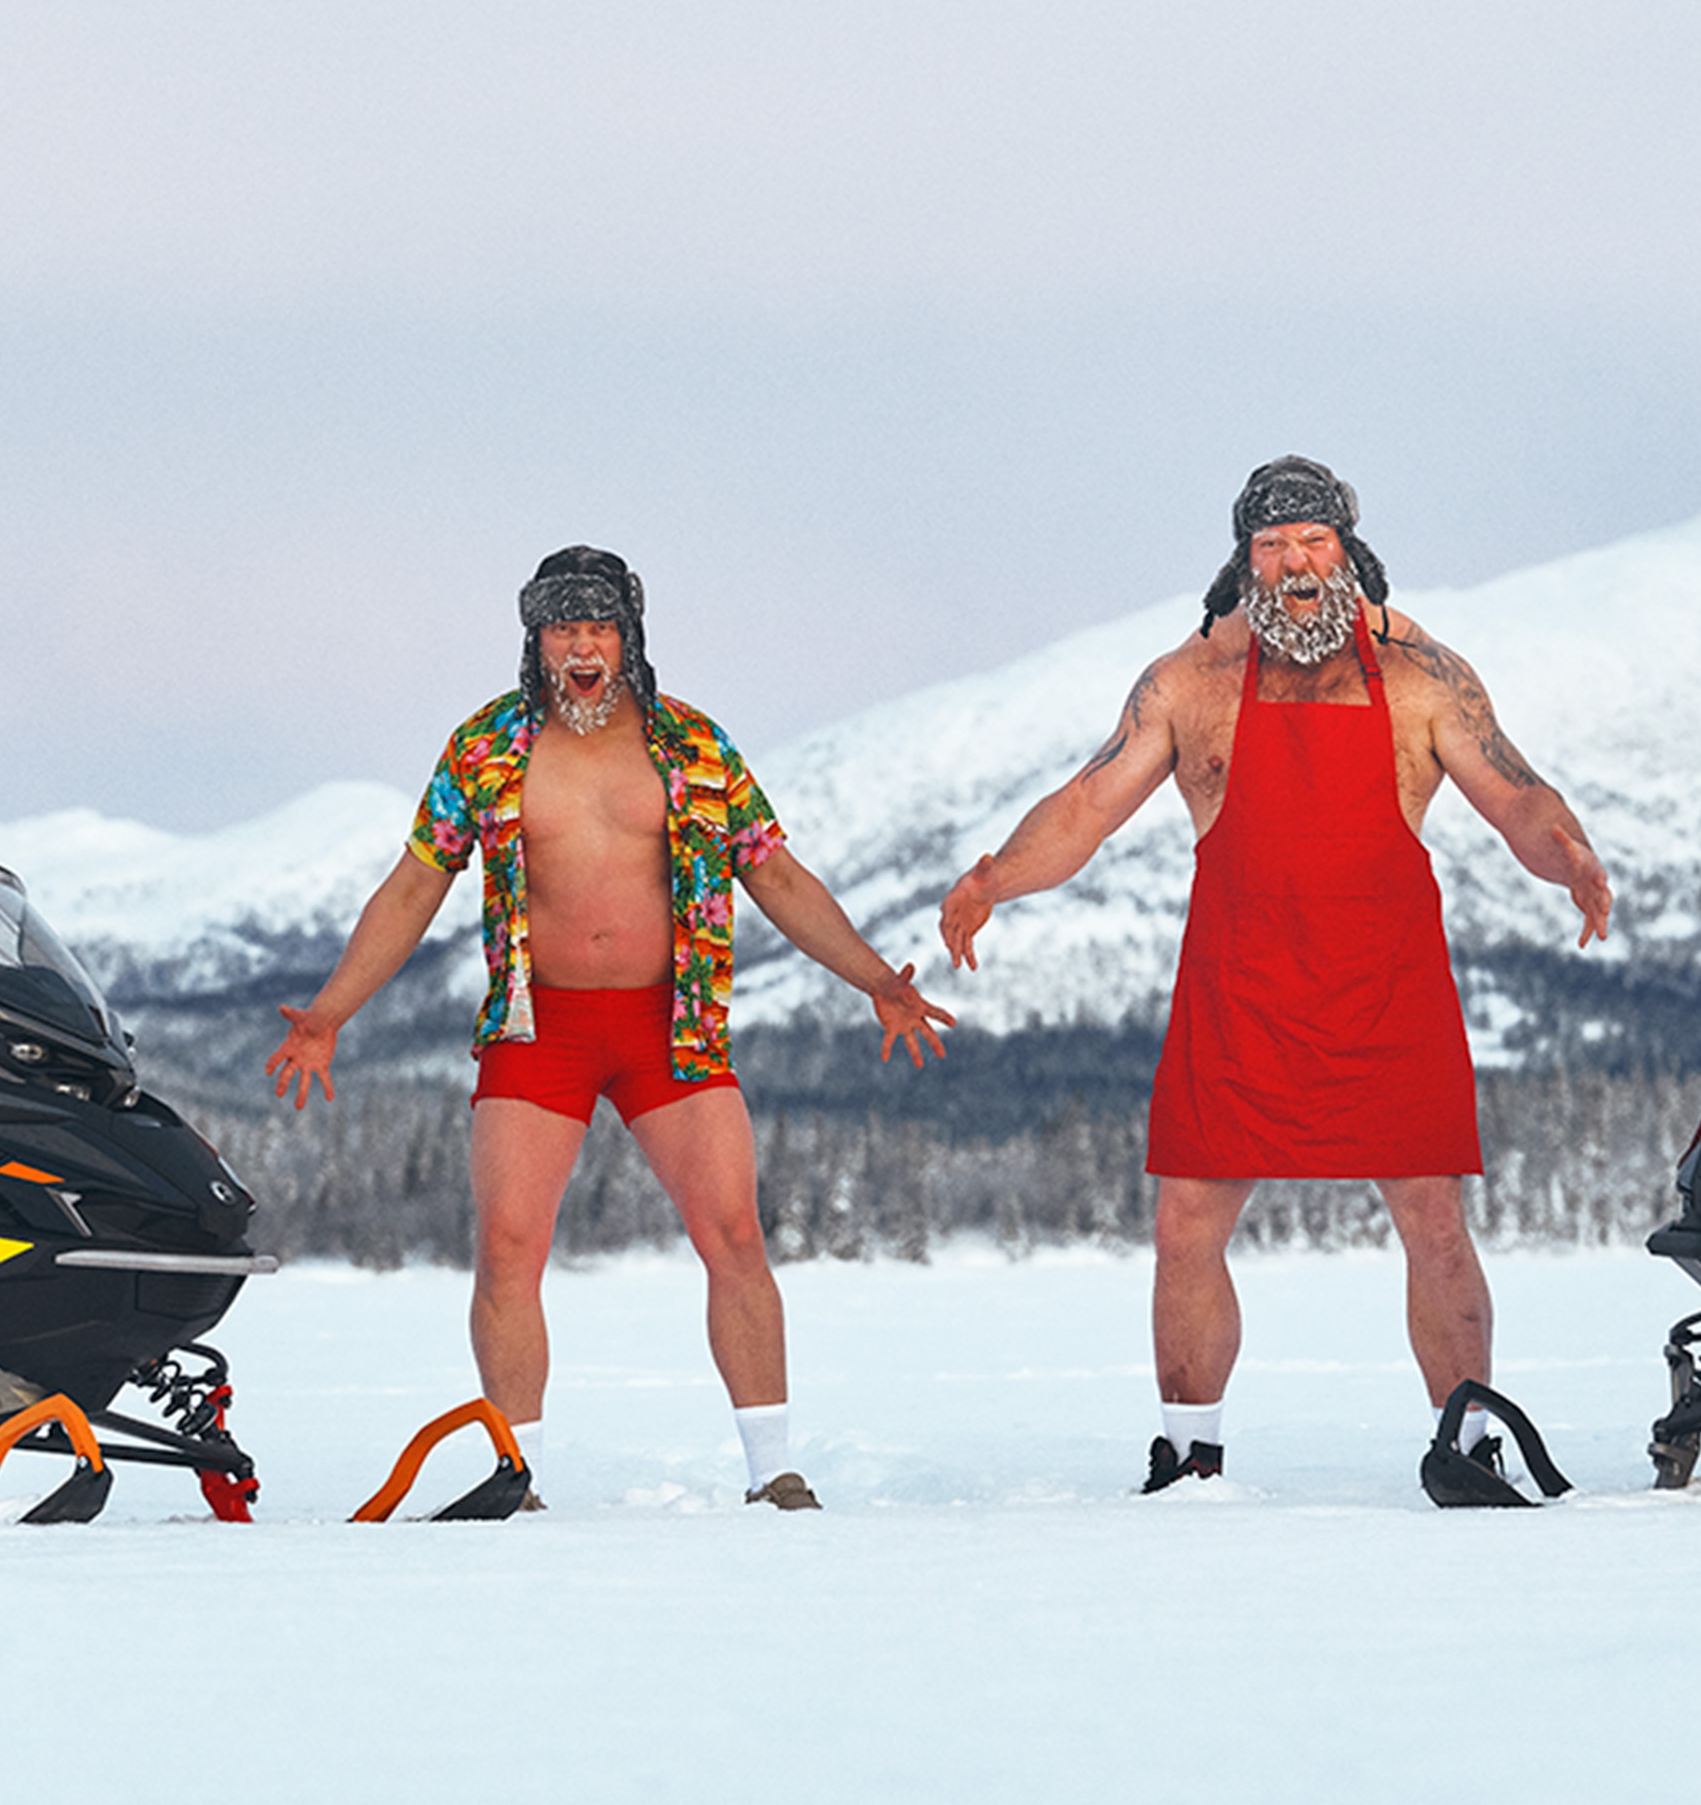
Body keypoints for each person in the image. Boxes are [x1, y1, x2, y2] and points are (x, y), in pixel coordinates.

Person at [938, 456, 1611, 1492]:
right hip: (1237, 985)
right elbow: (1085, 805)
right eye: (1270, 545)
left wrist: (1565, 854)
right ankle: (1187, 1449)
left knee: (1430, 1213)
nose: (1294, 563)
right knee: (1185, 1219)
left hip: (1387, 983)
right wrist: (992, 876)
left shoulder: (1423, 674)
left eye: (1312, 541)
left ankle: (1467, 1442)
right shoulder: (1188, 680)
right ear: (1243, 560)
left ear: (1347, 549)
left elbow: (1513, 790)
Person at [269, 547, 954, 1509]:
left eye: (599, 628)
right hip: (536, 1024)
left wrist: (877, 978)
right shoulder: (486, 746)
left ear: (629, 636)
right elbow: (415, 882)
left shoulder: (692, 746)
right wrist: (331, 1012)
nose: (582, 648)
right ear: (535, 639)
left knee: (733, 1234)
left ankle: (775, 1471)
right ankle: (521, 1477)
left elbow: (778, 876)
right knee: (508, 1247)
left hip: (668, 1027)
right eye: (563, 628)